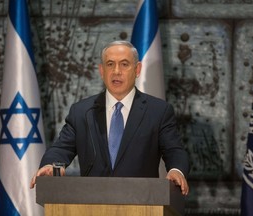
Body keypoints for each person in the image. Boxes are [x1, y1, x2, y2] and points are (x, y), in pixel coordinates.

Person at [30, 40, 190, 195]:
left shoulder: (158, 111)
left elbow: (174, 150)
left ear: (138, 69)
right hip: (92, 204)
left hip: (142, 203)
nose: (116, 71)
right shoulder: (82, 111)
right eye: (110, 64)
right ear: (102, 71)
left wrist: (176, 171)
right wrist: (50, 165)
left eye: (124, 64)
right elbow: (61, 148)